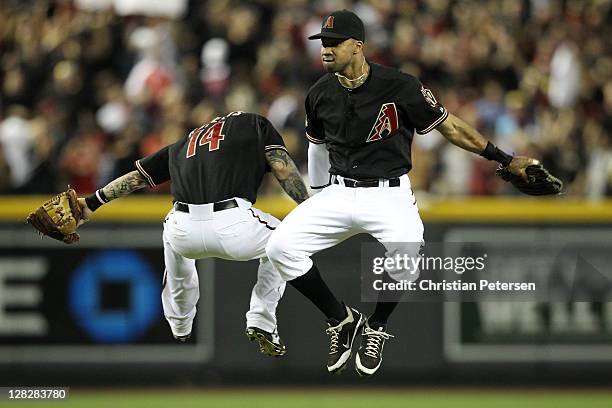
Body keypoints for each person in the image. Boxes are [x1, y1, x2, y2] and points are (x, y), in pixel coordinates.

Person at [265, 10, 539, 375]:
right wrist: (315, 198)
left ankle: (376, 325)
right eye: (323, 43)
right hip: (339, 191)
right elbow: (315, 147)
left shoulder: (400, 86)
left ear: (358, 46)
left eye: (334, 42)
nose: (326, 50)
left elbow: (450, 128)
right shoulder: (319, 93)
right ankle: (341, 319)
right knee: (279, 248)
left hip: (388, 193)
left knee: (408, 258)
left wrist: (502, 158)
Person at [79, 111, 310, 357]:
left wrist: (92, 202)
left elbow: (136, 179)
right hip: (234, 224)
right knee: (285, 241)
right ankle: (261, 317)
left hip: (183, 228)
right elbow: (282, 168)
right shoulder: (254, 123)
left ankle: (180, 322)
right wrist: (310, 209)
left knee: (172, 238)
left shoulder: (186, 142)